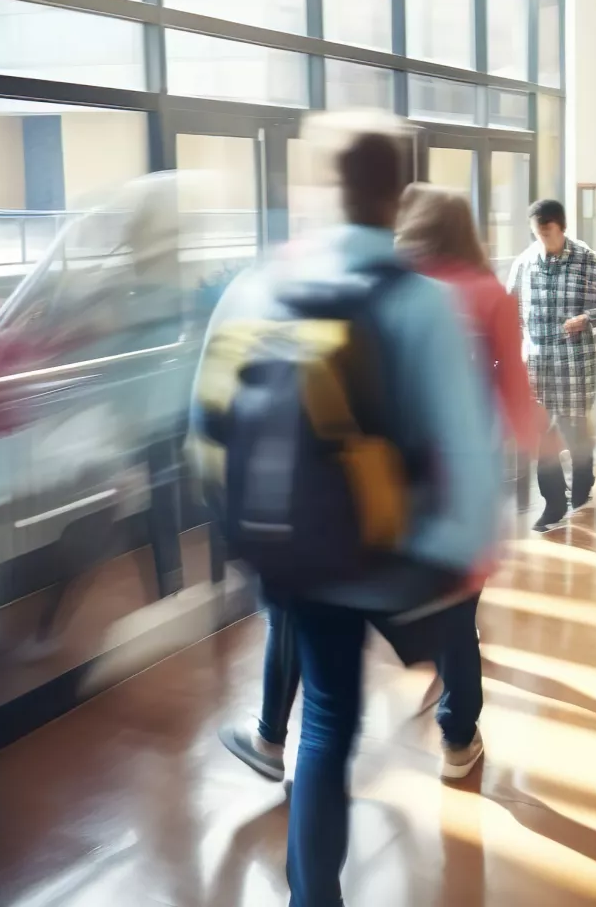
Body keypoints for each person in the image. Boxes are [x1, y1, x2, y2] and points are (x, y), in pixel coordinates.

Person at [195, 112, 501, 906]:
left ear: (319, 188)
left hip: (289, 545)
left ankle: (312, 896)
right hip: (386, 552)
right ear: (399, 194)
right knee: (336, 713)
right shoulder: (420, 303)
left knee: (324, 721)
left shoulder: (257, 286)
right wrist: (458, 565)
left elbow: (204, 429)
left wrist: (242, 539)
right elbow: (465, 452)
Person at [217, 183, 534, 789]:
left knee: (299, 617)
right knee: (455, 619)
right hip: (453, 485)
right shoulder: (488, 294)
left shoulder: (389, 289)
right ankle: (458, 739)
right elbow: (515, 408)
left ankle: (271, 735)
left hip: (371, 484)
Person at [507, 198, 596, 533]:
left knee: (575, 435)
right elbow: (511, 310)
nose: (541, 240)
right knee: (541, 437)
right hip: (537, 367)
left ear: (561, 227)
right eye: (536, 233)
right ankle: (553, 503)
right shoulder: (525, 264)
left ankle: (584, 481)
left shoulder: (589, 262)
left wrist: (587, 318)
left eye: (546, 232)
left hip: (574, 367)